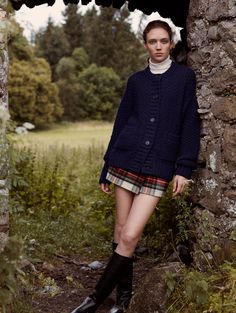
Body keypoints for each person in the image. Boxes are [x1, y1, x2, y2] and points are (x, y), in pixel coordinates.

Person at [70, 14, 201, 313]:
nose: (158, 47)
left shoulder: (184, 78)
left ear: (171, 43)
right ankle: (124, 299)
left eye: (163, 41)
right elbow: (121, 123)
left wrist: (184, 168)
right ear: (145, 45)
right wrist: (106, 166)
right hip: (125, 161)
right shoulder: (136, 81)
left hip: (158, 167)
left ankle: (95, 300)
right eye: (152, 42)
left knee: (130, 235)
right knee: (119, 231)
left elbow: (190, 123)